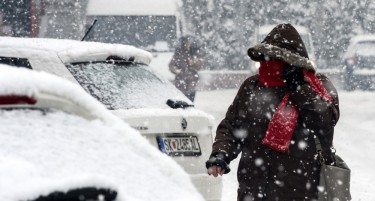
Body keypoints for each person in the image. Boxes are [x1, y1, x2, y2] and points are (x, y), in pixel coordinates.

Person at [205, 23, 340, 201]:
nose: (268, 64)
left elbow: (324, 122)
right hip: (253, 189)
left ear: (292, 61)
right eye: (265, 58)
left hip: (301, 191)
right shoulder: (252, 86)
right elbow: (232, 126)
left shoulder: (317, 85)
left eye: (275, 59)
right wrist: (221, 154)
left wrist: (299, 88)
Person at [169, 35, 203, 102]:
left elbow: (200, 66)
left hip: (192, 82)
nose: (188, 43)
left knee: (191, 101)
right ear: (183, 42)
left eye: (190, 42)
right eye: (187, 41)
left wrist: (194, 63)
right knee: (182, 102)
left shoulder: (194, 53)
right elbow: (171, 65)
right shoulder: (179, 53)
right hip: (181, 82)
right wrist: (177, 71)